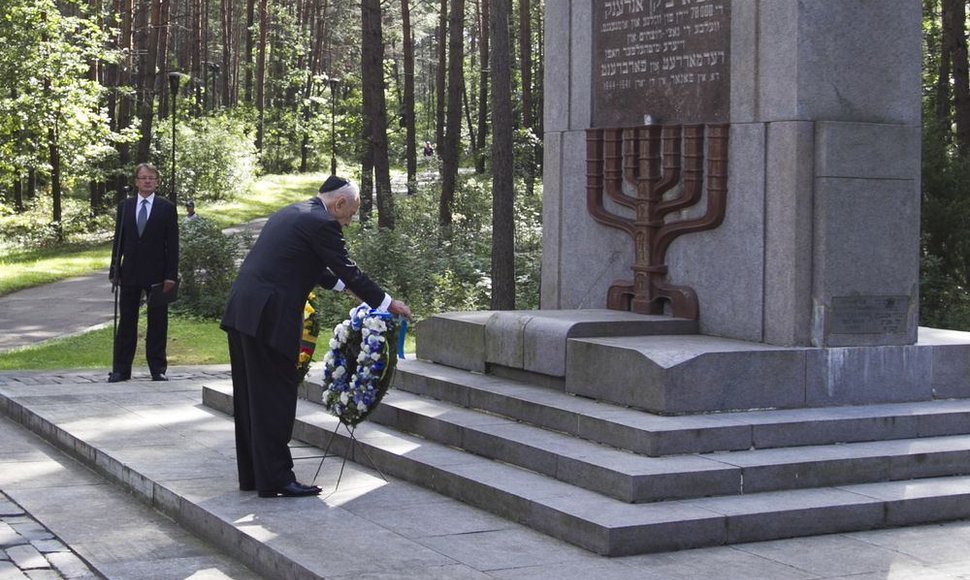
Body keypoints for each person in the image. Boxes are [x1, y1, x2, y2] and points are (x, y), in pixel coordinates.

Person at [221, 175, 412, 499]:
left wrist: (347, 289)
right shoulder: (323, 223)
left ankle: (256, 474)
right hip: (270, 318)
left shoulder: (294, 212)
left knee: (251, 398)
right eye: (351, 212)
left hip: (244, 312)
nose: (350, 221)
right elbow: (347, 268)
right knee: (275, 398)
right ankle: (278, 479)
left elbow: (312, 266)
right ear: (339, 203)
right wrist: (385, 303)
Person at [108, 162, 180, 383]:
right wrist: (114, 268)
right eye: (143, 177)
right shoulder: (125, 206)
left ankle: (157, 369)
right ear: (136, 181)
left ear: (157, 182)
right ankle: (121, 370)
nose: (147, 181)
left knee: (158, 323)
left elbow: (173, 244)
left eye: (151, 178)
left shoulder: (166, 207)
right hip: (129, 272)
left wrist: (171, 275)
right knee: (127, 321)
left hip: (158, 275)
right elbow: (118, 240)